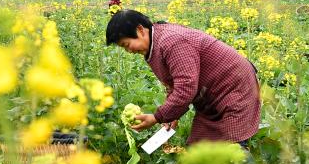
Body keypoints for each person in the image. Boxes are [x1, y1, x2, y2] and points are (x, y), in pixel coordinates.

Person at [105, 9, 260, 147]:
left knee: (232, 148)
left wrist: (156, 117)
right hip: (213, 95)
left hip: (235, 88)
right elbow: (175, 83)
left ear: (140, 30)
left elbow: (186, 87)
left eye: (127, 44)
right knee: (201, 149)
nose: (128, 51)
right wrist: (171, 114)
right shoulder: (154, 45)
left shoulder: (171, 41)